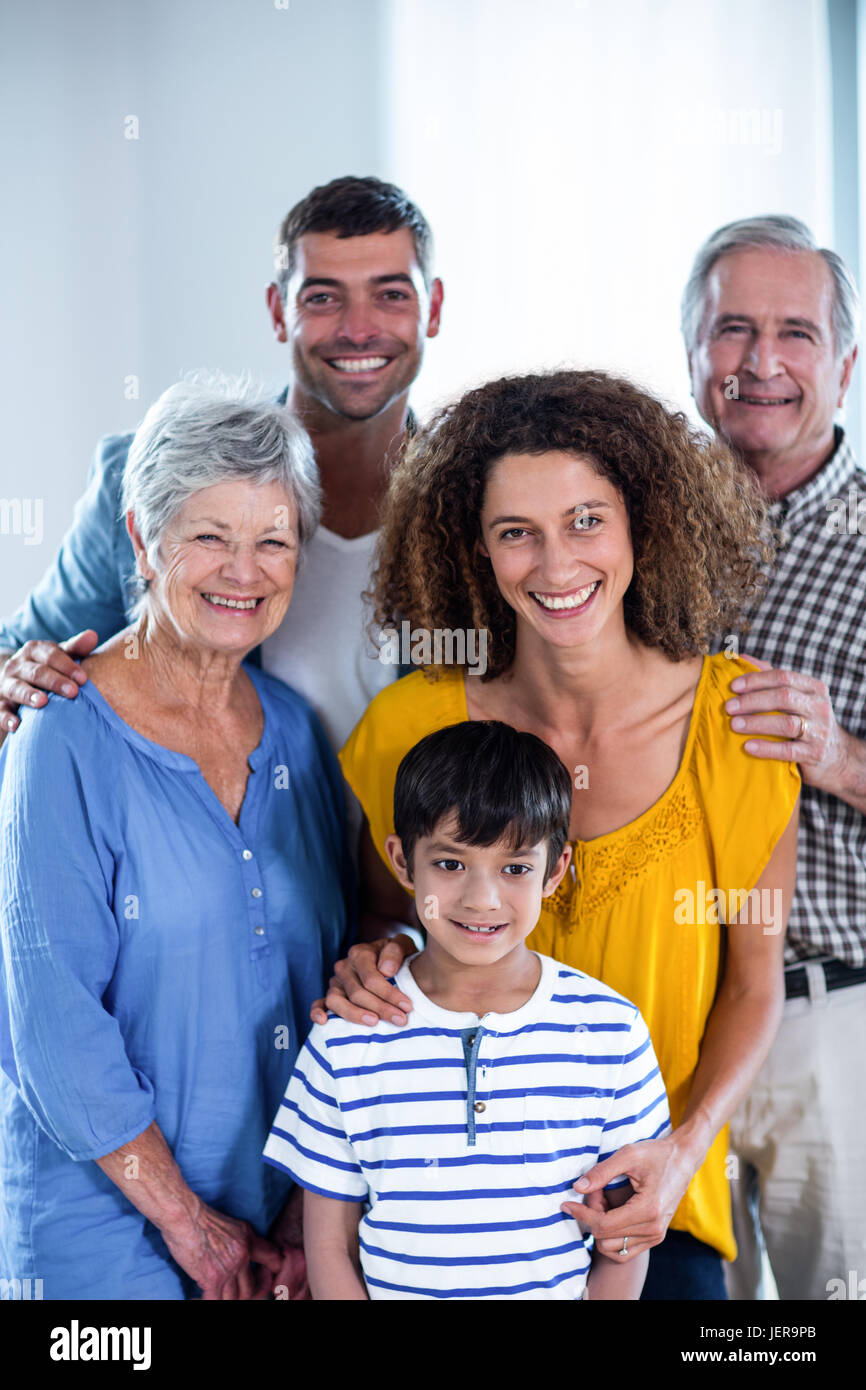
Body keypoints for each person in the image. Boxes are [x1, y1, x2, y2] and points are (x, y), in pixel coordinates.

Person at [316, 369, 800, 1299]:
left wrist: (679, 1151)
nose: (555, 564)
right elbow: (385, 920)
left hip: (651, 1211)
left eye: (587, 520)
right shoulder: (408, 726)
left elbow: (751, 986)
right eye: (515, 533)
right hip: (445, 1224)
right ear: (476, 550)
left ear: (641, 524)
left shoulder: (737, 729)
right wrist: (369, 961)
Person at [0, 379, 353, 1300]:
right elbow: (54, 1023)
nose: (245, 570)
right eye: (209, 536)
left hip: (274, 1233)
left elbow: (322, 983)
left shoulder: (295, 734)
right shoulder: (61, 731)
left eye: (273, 540)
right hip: (104, 1239)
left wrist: (299, 1215)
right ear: (141, 541)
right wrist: (190, 1227)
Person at [0, 175, 444, 754]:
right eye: (322, 297)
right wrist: (14, 674)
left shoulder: (473, 505)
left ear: (432, 308)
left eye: (391, 294)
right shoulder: (141, 478)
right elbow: (16, 653)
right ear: (278, 312)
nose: (358, 328)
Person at [263, 720, 671, 1301]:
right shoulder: (347, 1035)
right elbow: (330, 1246)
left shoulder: (612, 1031)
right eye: (451, 864)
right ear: (403, 863)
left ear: (555, 871)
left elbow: (626, 1235)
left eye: (515, 868)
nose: (482, 899)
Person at [683, 215, 866, 1300]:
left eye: (793, 332)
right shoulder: (625, 528)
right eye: (731, 329)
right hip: (660, 1022)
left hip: (825, 1027)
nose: (758, 362)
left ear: (843, 363)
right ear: (690, 353)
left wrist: (838, 754)